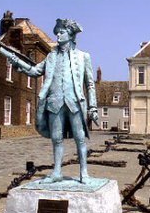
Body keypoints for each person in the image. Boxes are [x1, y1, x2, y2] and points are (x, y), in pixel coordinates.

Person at [10, 19, 98, 184]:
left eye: (61, 32)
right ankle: (57, 172)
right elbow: (35, 70)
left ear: (70, 34)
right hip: (55, 102)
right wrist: (18, 63)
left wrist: (93, 107)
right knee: (56, 139)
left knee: (80, 139)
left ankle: (83, 173)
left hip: (75, 103)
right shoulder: (51, 56)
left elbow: (90, 84)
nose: (57, 35)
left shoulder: (83, 56)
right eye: (57, 32)